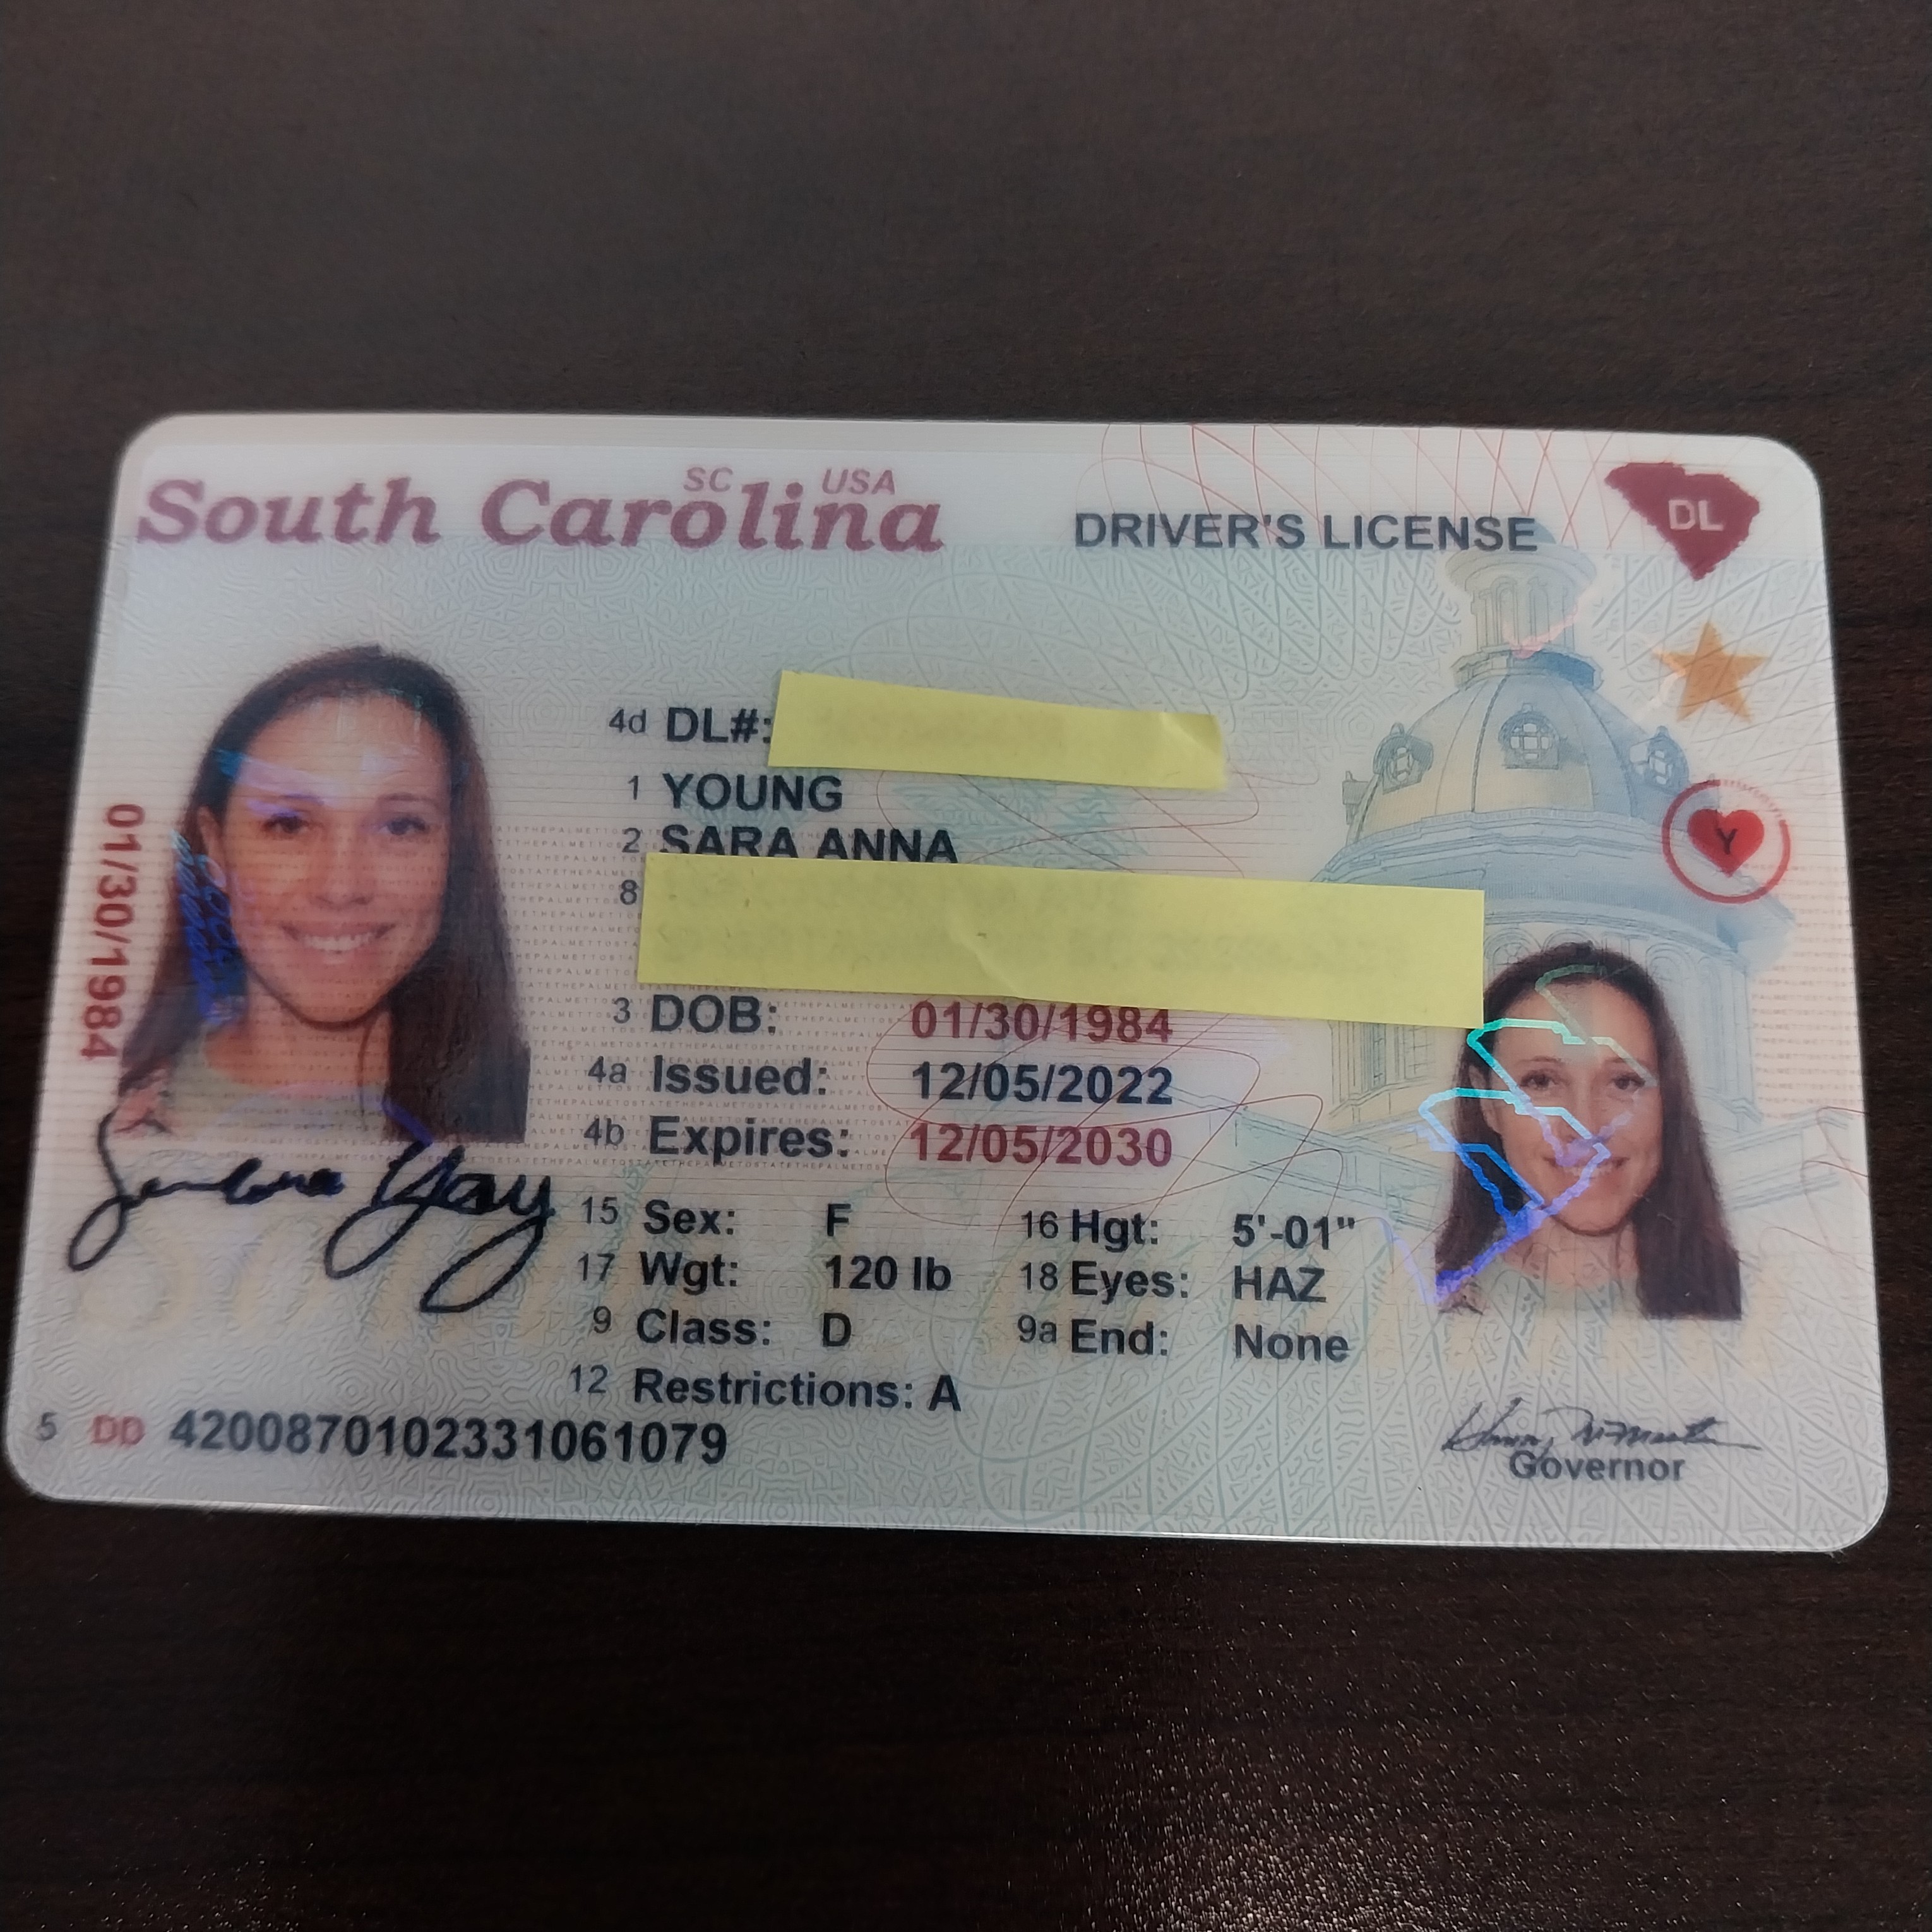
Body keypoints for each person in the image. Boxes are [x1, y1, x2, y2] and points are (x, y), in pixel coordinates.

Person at [115, 646, 528, 1142]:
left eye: (400, 826)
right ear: (216, 850)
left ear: (453, 854)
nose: (341, 886)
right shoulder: (113, 1120)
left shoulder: (535, 1110)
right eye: (289, 824)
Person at [1430, 941, 1740, 1318]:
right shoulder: (1423, 1308)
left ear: (1667, 1101)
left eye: (1624, 1082)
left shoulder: (1765, 1298)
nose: (1587, 1126)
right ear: (1487, 1102)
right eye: (1541, 1081)